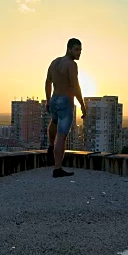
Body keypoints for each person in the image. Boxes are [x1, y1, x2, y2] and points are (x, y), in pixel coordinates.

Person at [45, 38, 87, 178]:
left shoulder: (55, 62)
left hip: (55, 99)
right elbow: (75, 86)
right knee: (62, 136)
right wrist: (82, 104)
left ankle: (51, 147)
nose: (79, 53)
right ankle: (57, 168)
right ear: (69, 49)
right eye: (76, 49)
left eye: (80, 50)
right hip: (65, 101)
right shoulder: (71, 65)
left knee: (54, 122)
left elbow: (48, 81)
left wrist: (48, 99)